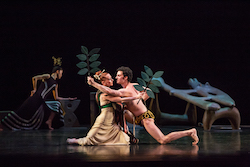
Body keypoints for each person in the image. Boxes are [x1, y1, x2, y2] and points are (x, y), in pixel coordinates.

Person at [87, 66, 199, 145]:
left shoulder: (126, 90)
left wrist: (93, 84)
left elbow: (112, 93)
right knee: (122, 110)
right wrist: (139, 100)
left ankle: (190, 132)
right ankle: (123, 134)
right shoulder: (134, 85)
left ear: (125, 77)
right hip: (138, 117)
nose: (116, 77)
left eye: (118, 75)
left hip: (145, 119)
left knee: (163, 140)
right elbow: (148, 91)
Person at [67, 70, 142, 145]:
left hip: (111, 119)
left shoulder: (108, 91)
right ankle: (77, 141)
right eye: (109, 79)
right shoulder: (104, 94)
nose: (112, 80)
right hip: (105, 117)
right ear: (103, 82)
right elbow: (120, 99)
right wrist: (135, 97)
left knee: (122, 137)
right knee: (91, 137)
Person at [0, 58, 77, 130]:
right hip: (36, 98)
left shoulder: (56, 84)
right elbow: (35, 78)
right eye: (61, 73)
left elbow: (56, 97)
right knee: (21, 112)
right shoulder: (48, 76)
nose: (61, 75)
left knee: (57, 104)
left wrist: (68, 98)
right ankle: (2, 125)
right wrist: (34, 89)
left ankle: (49, 121)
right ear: (57, 71)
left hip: (41, 101)